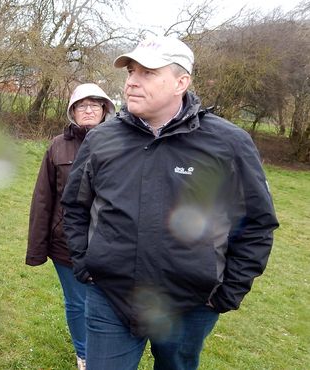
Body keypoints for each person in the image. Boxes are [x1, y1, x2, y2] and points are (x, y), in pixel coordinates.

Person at [61, 36, 279, 370]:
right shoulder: (102, 139)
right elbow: (75, 206)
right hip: (110, 297)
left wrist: (227, 292)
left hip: (190, 305)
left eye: (147, 72)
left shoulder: (227, 143)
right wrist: (86, 263)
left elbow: (257, 223)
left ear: (181, 82)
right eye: (131, 71)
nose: (132, 81)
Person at [27, 83, 116, 370]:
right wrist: (38, 248)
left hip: (111, 245)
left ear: (105, 110)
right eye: (81, 105)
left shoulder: (121, 143)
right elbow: (43, 198)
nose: (88, 110)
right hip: (66, 243)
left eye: (95, 104)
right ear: (72, 111)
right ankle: (85, 355)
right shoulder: (58, 146)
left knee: (106, 303)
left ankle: (109, 348)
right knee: (78, 302)